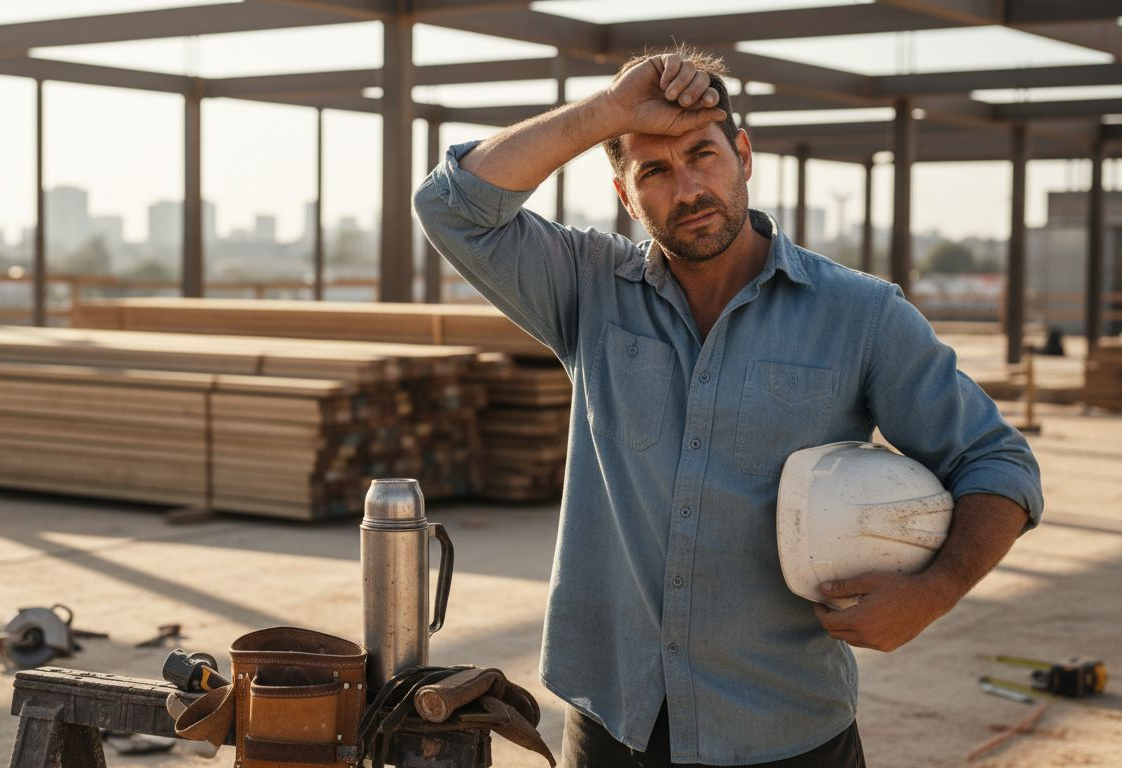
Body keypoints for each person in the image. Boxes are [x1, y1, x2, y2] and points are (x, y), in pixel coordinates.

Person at [412, 46, 1043, 768]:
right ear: (627, 196)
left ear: (743, 155)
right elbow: (450, 206)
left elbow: (997, 462)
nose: (687, 188)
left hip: (786, 730)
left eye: (703, 155)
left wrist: (933, 591)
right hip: (614, 723)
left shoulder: (861, 315)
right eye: (654, 171)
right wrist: (605, 112)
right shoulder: (589, 289)